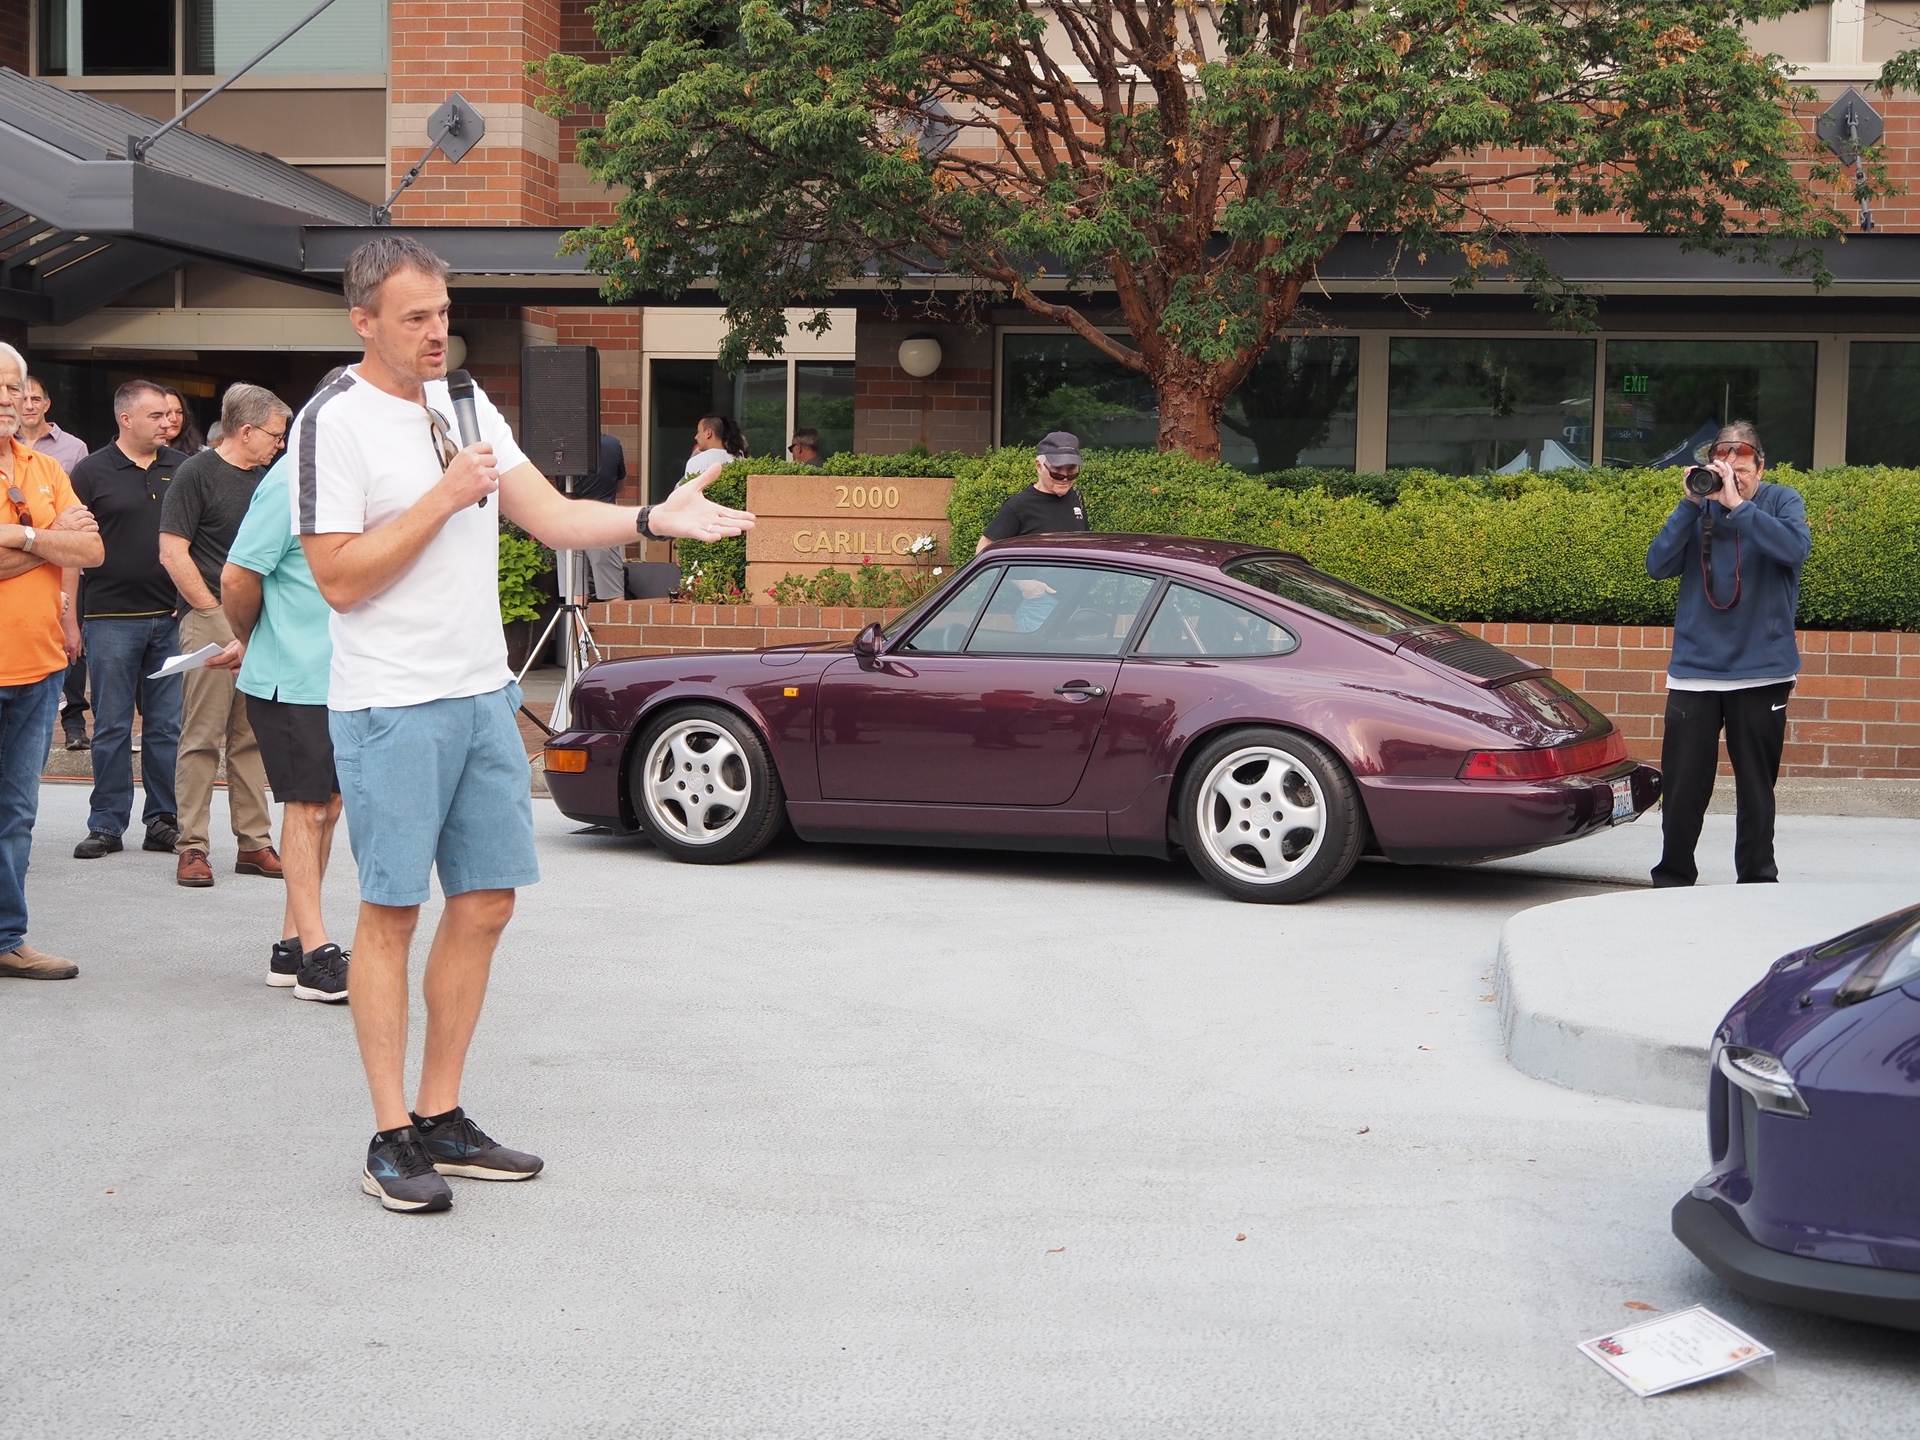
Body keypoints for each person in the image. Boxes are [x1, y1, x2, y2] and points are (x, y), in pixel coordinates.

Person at [296, 235, 754, 1214]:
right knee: (391, 914)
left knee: (489, 902)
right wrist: (443, 497)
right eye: (415, 317)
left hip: (480, 694)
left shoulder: (466, 403)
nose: (436, 332)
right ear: (363, 321)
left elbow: (549, 516)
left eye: (444, 312)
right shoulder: (331, 423)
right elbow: (338, 578)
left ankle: (442, 1115)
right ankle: (388, 1137)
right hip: (390, 704)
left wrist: (651, 521)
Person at [1645, 420, 1812, 887]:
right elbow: (1657, 565)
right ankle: (1673, 875)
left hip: (1762, 672)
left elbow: (1794, 549)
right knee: (1681, 787)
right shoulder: (1700, 504)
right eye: (1726, 470)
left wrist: (1738, 507)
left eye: (1743, 469)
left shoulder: (1781, 501)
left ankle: (1757, 880)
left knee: (1756, 787)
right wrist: (1691, 503)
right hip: (1695, 673)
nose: (1733, 478)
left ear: (1761, 466)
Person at [223, 438, 349, 1004]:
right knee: (308, 808)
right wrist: (252, 639)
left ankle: (291, 943)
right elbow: (237, 576)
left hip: (341, 677)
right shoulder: (287, 483)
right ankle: (316, 958)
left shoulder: (351, 481)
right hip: (291, 677)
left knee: (328, 807)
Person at [158, 383, 291, 888]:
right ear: (247, 430)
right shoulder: (195, 472)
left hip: (260, 618)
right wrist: (213, 610)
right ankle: (191, 846)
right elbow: (173, 551)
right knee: (200, 736)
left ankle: (253, 843)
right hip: (211, 614)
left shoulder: (270, 477)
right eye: (275, 435)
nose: (280, 444)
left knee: (250, 735)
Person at [0, 342, 102, 980]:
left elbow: (90, 549)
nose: (7, 399)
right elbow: (67, 544)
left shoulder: (42, 465)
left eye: (14, 388)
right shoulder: (43, 483)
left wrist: (24, 535)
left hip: (38, 670)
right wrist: (50, 539)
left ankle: (7, 938)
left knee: (16, 813)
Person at [65, 381, 188, 861]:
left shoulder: (184, 468)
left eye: (168, 415)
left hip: (172, 618)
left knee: (165, 727)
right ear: (126, 419)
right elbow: (72, 554)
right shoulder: (90, 472)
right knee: (112, 726)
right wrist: (70, 619)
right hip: (110, 617)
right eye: (156, 415)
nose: (167, 422)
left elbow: (199, 539)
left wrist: (192, 595)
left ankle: (162, 821)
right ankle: (107, 825)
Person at [17, 374, 92, 750]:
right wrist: (47, 537)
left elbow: (87, 541)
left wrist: (32, 538)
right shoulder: (11, 449)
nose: (26, 404)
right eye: (19, 396)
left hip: (63, 570)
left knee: (69, 638)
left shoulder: (68, 452)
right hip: (36, 565)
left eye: (34, 397)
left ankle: (74, 719)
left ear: (47, 403)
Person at [975, 430, 1090, 554]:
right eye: (1056, 470)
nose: (1065, 477)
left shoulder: (1076, 496)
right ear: (1039, 466)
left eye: (1072, 470)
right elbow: (984, 549)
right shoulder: (1018, 506)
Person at [573, 432, 629, 602]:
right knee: (613, 592)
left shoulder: (557, 445)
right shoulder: (612, 444)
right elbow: (620, 486)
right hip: (602, 519)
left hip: (567, 520)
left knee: (575, 593)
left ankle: (579, 630)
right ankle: (617, 629)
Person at [681, 413, 746, 482]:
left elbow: (689, 491)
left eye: (698, 431)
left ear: (708, 433)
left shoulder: (696, 462)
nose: (696, 437)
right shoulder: (744, 463)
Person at [160, 388, 206, 454]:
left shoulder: (200, 453)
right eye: (168, 413)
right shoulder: (144, 453)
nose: (174, 419)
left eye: (179, 412)